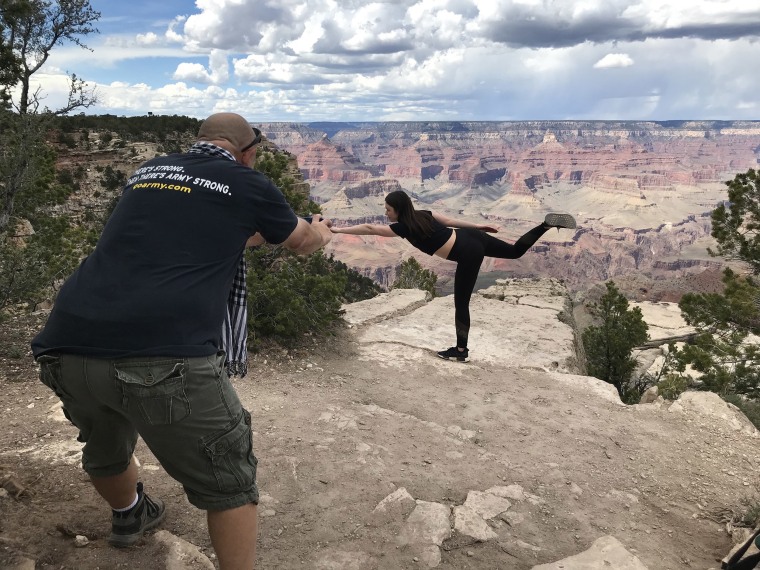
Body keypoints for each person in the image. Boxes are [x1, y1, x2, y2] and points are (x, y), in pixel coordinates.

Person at [31, 112, 333, 569]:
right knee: (229, 480)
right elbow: (301, 243)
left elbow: (203, 234)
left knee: (105, 444)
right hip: (163, 352)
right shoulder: (246, 181)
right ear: (248, 152)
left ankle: (131, 515)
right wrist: (321, 231)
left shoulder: (148, 172)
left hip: (66, 344)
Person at [330, 190, 575, 362]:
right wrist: (477, 227)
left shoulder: (402, 227)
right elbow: (449, 221)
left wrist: (339, 229)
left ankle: (460, 350)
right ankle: (544, 226)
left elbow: (370, 229)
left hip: (468, 251)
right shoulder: (423, 213)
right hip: (471, 237)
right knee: (514, 251)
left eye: (388, 209)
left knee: (461, 303)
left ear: (398, 210)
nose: (385, 213)